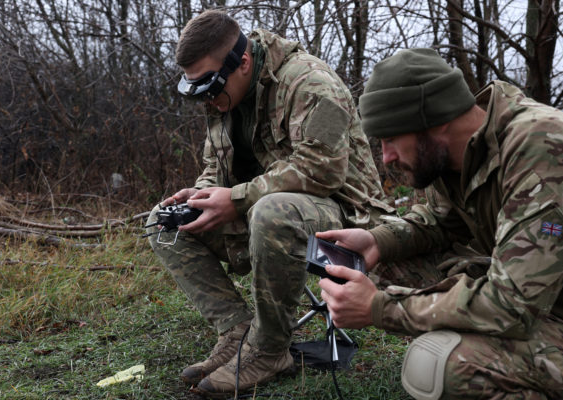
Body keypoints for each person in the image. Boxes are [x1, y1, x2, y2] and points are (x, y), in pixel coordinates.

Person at [318, 48, 563, 399]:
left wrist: (380, 308)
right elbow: (439, 222)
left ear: (436, 120)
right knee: (385, 264)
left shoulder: (547, 149)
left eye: (390, 139)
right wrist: (377, 241)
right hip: (543, 304)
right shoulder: (457, 153)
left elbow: (510, 306)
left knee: (442, 365)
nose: (386, 157)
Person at [145, 10, 392, 397]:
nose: (207, 98)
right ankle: (237, 330)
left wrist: (238, 198)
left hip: (346, 222)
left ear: (242, 62)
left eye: (210, 86)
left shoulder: (310, 82)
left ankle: (269, 350)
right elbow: (216, 166)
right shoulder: (223, 96)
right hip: (262, 213)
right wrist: (202, 194)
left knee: (271, 211)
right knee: (164, 220)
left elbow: (324, 170)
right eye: (198, 90)